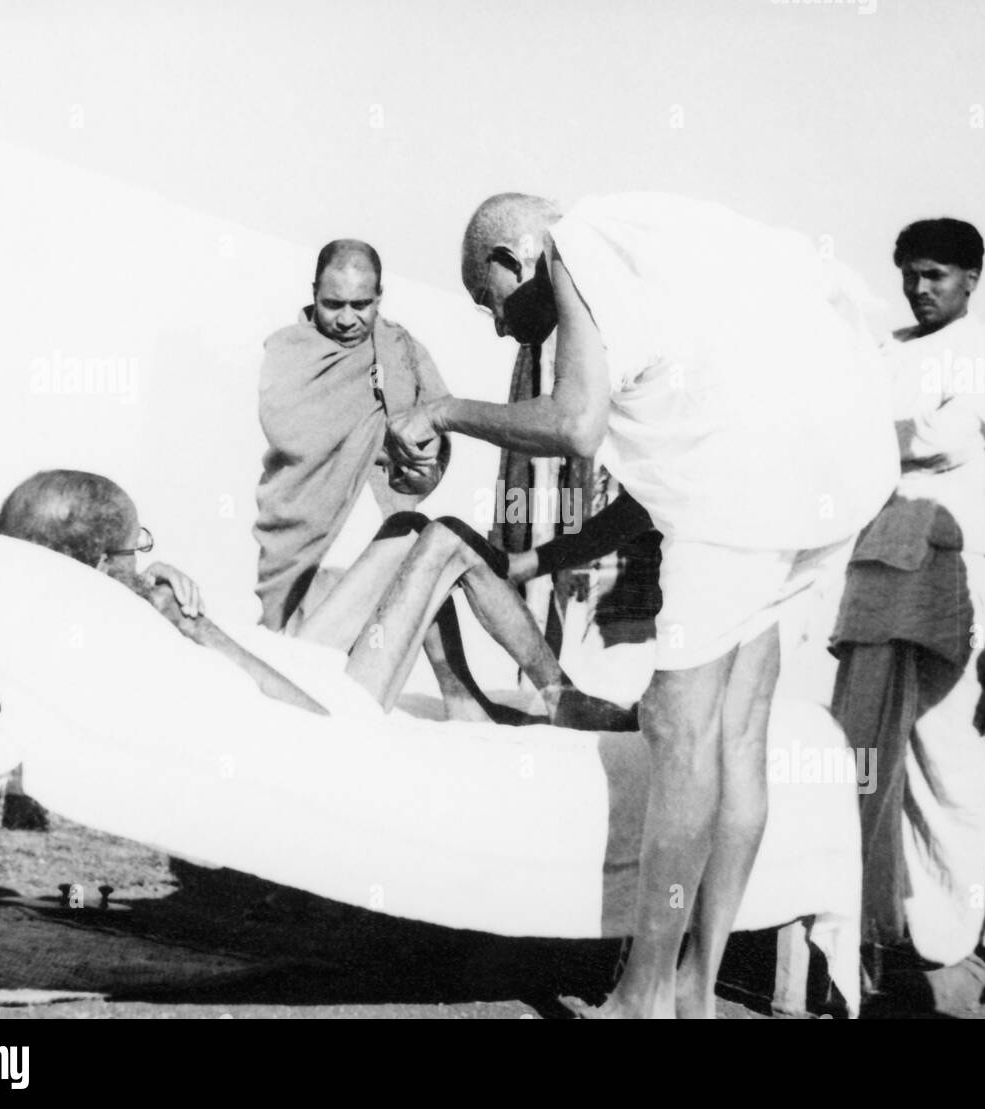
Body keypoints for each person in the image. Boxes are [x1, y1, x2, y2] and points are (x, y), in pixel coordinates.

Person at [386, 192, 899, 1017]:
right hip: (836, 457)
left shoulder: (576, 250)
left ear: (516, 259)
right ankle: (698, 985)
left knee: (677, 722)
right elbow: (652, 495)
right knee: (739, 731)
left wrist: (443, 410)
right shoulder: (662, 249)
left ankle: (643, 993)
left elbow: (575, 424)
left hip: (748, 483)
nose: (498, 326)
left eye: (491, 302)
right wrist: (538, 558)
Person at [0, 470, 633, 731]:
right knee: (445, 542)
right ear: (104, 560)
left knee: (406, 531)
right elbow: (287, 704)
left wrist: (145, 577)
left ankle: (465, 700)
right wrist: (198, 623)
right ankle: (558, 693)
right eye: (135, 544)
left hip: (290, 656)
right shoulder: (158, 609)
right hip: (324, 695)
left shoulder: (97, 606)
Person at [828, 218, 985, 1013]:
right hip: (877, 566)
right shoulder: (887, 349)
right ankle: (870, 931)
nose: (921, 288)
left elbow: (942, 436)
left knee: (950, 761)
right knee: (864, 750)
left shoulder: (984, 351)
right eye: (911, 273)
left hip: (952, 570)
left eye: (937, 275)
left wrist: (871, 437)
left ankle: (959, 949)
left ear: (972, 279)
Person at [254, 239, 451, 633]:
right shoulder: (288, 351)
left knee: (417, 603)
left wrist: (424, 459)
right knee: (298, 654)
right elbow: (291, 432)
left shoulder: (402, 349)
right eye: (333, 304)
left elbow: (439, 421)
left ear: (380, 297)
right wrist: (387, 442)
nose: (347, 319)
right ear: (314, 293)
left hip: (381, 523)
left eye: (361, 305)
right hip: (304, 539)